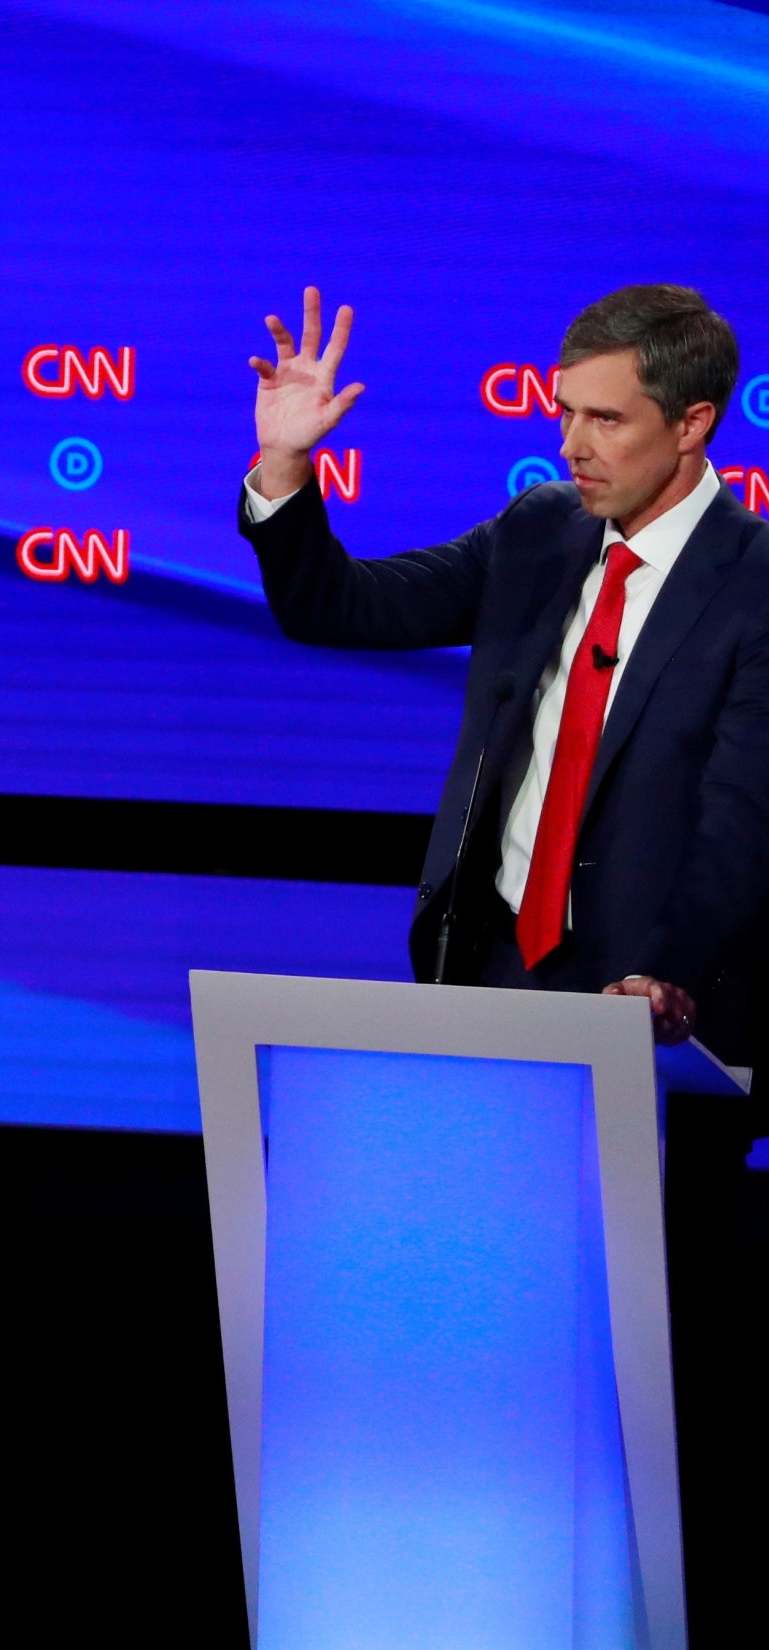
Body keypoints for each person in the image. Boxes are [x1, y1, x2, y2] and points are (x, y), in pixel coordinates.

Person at [241, 282, 769, 1636]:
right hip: (484, 992)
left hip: (651, 1025)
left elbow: (743, 819)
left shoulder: (757, 587)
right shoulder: (539, 536)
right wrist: (288, 471)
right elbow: (335, 609)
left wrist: (673, 982)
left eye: (607, 419)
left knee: (629, 1363)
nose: (574, 444)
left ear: (694, 423)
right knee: (471, 1332)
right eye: (563, 412)